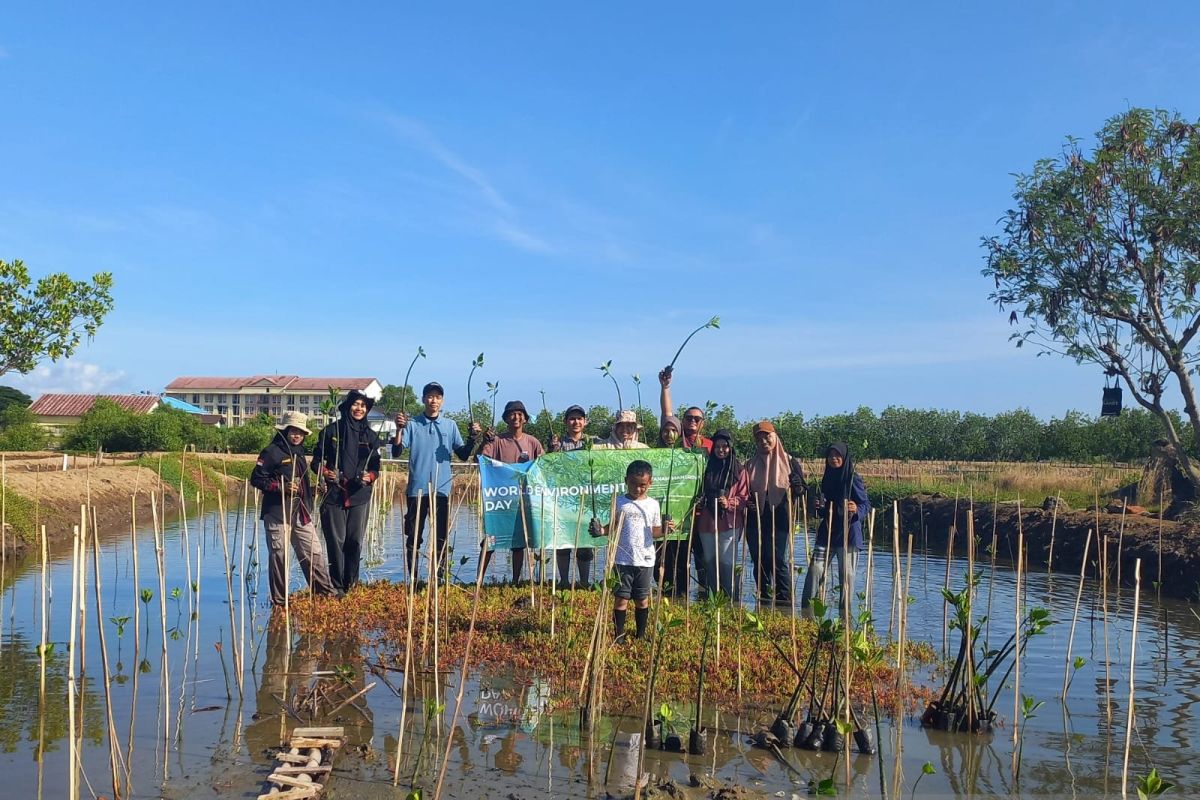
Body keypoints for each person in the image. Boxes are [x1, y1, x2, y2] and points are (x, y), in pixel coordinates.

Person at [392, 381, 482, 583]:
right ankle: (413, 577)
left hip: (442, 490)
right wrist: (399, 429)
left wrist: (473, 438)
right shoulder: (412, 424)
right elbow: (396, 450)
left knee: (441, 536)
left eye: (438, 397)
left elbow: (463, 455)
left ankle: (440, 576)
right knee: (414, 536)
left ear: (442, 401)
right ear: (424, 399)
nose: (434, 400)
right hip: (417, 490)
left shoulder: (450, 426)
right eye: (430, 396)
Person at [249, 411, 337, 606]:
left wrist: (314, 490)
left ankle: (324, 596)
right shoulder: (271, 452)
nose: (296, 435)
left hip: (301, 512)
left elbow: (301, 485)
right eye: (293, 431)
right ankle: (280, 602)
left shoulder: (299, 452)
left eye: (300, 432)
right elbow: (256, 479)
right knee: (279, 556)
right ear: (285, 431)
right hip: (277, 513)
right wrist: (281, 487)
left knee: (313, 552)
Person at [589, 459, 675, 641]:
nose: (638, 489)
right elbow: (612, 526)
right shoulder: (619, 501)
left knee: (642, 599)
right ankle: (618, 636)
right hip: (621, 560)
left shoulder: (653, 504)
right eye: (633, 484)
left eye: (642, 485)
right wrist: (600, 531)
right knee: (621, 599)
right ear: (626, 480)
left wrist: (666, 529)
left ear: (650, 483)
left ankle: (641, 635)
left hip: (645, 559)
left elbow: (655, 531)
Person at [311, 389, 382, 594]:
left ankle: (352, 585)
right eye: (355, 404)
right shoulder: (331, 432)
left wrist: (370, 477)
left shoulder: (370, 437)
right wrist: (326, 473)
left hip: (359, 495)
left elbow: (376, 467)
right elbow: (316, 462)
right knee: (336, 542)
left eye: (363, 406)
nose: (359, 408)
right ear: (346, 406)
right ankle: (337, 586)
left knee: (354, 541)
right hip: (334, 494)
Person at [801, 442, 869, 617]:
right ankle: (806, 611)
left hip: (848, 534)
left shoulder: (853, 478)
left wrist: (856, 509)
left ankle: (844, 614)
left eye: (837, 455)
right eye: (830, 456)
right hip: (827, 532)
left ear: (845, 458)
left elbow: (865, 504)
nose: (833, 459)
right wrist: (817, 507)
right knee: (815, 569)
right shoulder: (826, 478)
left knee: (846, 575)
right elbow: (823, 510)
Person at [481, 400, 545, 582]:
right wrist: (485, 441)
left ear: (525, 418)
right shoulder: (497, 441)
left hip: (523, 501)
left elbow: (542, 466)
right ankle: (478, 579)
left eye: (520, 414)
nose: (516, 417)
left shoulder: (532, 442)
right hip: (499, 500)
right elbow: (482, 460)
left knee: (519, 543)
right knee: (490, 539)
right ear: (506, 418)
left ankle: (515, 581)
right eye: (512, 414)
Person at [744, 420, 807, 606]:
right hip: (755, 522)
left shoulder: (789, 461)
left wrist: (797, 486)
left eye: (767, 437)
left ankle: (784, 603)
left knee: (778, 561)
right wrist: (747, 503)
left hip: (780, 519)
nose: (764, 441)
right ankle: (763, 601)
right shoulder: (750, 465)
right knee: (760, 561)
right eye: (760, 439)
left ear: (775, 436)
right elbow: (742, 491)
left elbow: (802, 490)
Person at [694, 429, 749, 599]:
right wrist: (700, 501)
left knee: (727, 564)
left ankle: (732, 601)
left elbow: (744, 498)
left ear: (731, 448)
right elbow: (697, 491)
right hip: (706, 523)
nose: (721, 450)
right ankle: (713, 602)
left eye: (725, 446)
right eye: (717, 446)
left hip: (729, 523)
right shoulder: (705, 468)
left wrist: (729, 502)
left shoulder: (740, 471)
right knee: (710, 564)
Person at [548, 404, 595, 588]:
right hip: (564, 501)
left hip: (586, 501)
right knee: (563, 542)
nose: (576, 422)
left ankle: (584, 582)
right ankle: (564, 581)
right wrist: (551, 451)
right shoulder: (558, 445)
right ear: (566, 422)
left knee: (585, 543)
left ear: (585, 422)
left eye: (579, 418)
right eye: (572, 418)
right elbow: (550, 468)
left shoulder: (594, 443)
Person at [657, 369, 712, 453]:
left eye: (697, 419)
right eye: (689, 418)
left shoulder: (710, 444)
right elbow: (666, 414)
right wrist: (665, 387)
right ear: (682, 421)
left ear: (703, 423)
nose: (692, 421)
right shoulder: (676, 440)